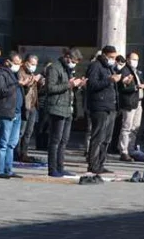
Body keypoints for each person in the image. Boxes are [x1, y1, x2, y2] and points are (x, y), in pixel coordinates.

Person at [42, 48, 84, 178]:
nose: (73, 64)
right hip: (56, 107)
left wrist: (77, 85)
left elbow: (69, 87)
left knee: (64, 140)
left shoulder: (68, 69)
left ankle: (60, 167)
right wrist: (69, 85)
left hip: (67, 108)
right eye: (72, 61)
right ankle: (52, 168)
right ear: (66, 57)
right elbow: (50, 88)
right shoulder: (54, 68)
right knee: (55, 140)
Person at [0, 50, 25, 180]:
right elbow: (0, 91)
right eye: (16, 63)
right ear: (8, 62)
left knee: (12, 143)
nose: (18, 66)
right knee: (3, 143)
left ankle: (8, 169)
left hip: (16, 112)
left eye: (20, 64)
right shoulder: (0, 74)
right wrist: (17, 84)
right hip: (5, 112)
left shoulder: (13, 74)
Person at [85, 46, 120, 175]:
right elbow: (92, 85)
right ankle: (93, 164)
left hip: (110, 106)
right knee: (98, 136)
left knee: (106, 138)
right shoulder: (96, 66)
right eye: (111, 57)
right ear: (104, 55)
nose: (113, 60)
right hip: (99, 106)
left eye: (114, 57)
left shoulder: (109, 67)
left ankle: (100, 163)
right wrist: (109, 80)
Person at [116, 51, 144, 162]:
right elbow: (123, 88)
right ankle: (123, 151)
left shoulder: (137, 72)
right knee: (127, 127)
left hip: (139, 102)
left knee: (135, 127)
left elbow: (141, 83)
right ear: (127, 59)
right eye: (133, 59)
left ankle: (131, 149)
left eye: (137, 60)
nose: (135, 62)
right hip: (130, 102)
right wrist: (136, 87)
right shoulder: (124, 71)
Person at [16, 54, 43, 163]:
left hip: (33, 106)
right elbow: (24, 85)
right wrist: (33, 80)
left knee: (29, 132)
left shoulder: (31, 73)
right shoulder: (20, 72)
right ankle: (16, 153)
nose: (33, 66)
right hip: (24, 106)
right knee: (20, 131)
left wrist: (40, 82)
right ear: (26, 62)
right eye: (32, 64)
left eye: (35, 65)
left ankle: (24, 153)